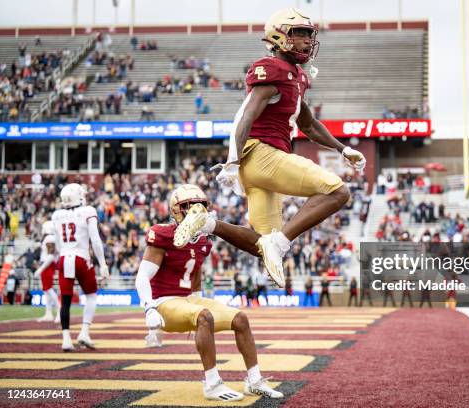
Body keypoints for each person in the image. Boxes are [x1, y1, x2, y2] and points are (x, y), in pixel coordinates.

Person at [177, 8, 365, 289]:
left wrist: (342, 149)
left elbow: (309, 124)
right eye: (299, 34)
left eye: (308, 35)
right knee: (338, 191)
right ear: (279, 36)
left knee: (263, 244)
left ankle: (207, 223)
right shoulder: (273, 68)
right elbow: (245, 115)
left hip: (260, 166)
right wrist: (232, 161)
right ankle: (280, 242)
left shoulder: (296, 77)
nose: (306, 41)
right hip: (262, 156)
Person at [135, 184, 282, 401]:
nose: (196, 210)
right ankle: (212, 383)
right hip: (163, 302)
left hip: (187, 300)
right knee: (204, 315)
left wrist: (195, 299)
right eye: (189, 206)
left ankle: (254, 380)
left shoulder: (203, 240)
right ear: (176, 209)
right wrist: (149, 308)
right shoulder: (163, 234)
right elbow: (142, 277)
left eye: (201, 205)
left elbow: (195, 273)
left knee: (240, 318)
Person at [51, 184, 109, 351]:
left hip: (63, 257)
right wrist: (103, 263)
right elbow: (95, 240)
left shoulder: (57, 215)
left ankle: (66, 339)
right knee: (91, 296)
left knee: (66, 301)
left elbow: (56, 245)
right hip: (81, 258)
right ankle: (84, 332)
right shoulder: (87, 211)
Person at [33, 221, 60, 322]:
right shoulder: (51, 238)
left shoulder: (49, 238)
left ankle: (59, 310)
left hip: (47, 266)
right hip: (47, 265)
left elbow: (50, 256)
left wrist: (40, 269)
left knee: (48, 289)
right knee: (46, 290)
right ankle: (48, 313)